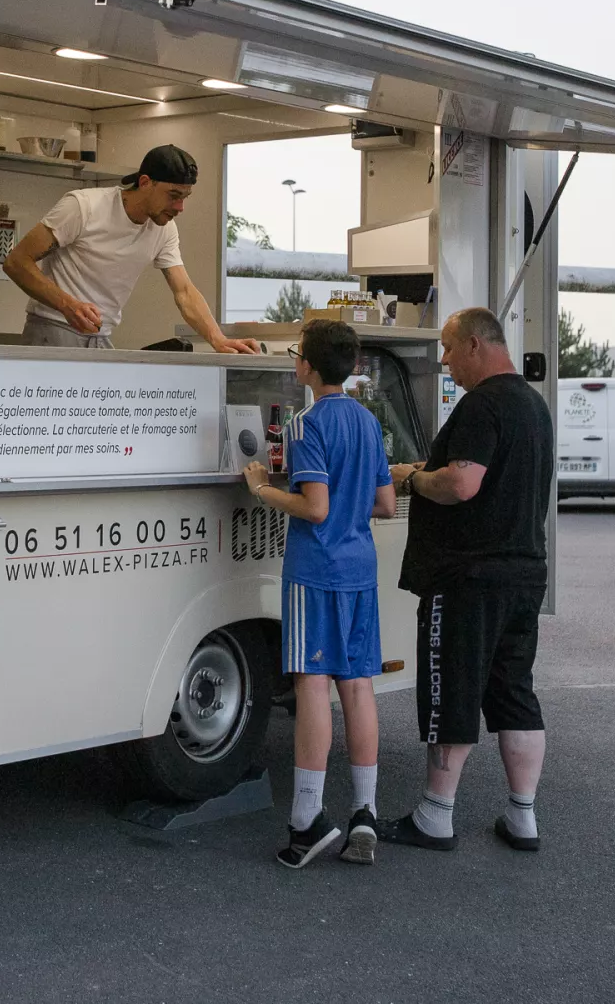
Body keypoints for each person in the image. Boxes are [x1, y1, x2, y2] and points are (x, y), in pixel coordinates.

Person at [380, 306, 554, 855]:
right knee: (513, 692)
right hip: (524, 572)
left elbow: (461, 484)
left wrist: (410, 476)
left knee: (452, 688)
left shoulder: (483, 404)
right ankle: (522, 816)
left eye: (451, 350)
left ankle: (436, 815)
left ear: (477, 345)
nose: (446, 361)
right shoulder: (533, 404)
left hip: (468, 577)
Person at [244, 320, 397, 868]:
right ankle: (365, 812)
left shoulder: (307, 424)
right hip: (361, 570)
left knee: (312, 685)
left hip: (316, 572)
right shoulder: (367, 420)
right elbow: (385, 504)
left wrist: (261, 487)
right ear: (353, 366)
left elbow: (314, 507)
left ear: (305, 365)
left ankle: (307, 820)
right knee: (357, 686)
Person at [2, 144, 259, 353]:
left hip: (101, 338)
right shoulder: (83, 207)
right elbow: (17, 262)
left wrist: (218, 339)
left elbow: (184, 291)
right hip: (51, 332)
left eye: (185, 197)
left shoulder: (164, 229)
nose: (180, 207)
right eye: (173, 196)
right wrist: (67, 304)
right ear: (145, 182)